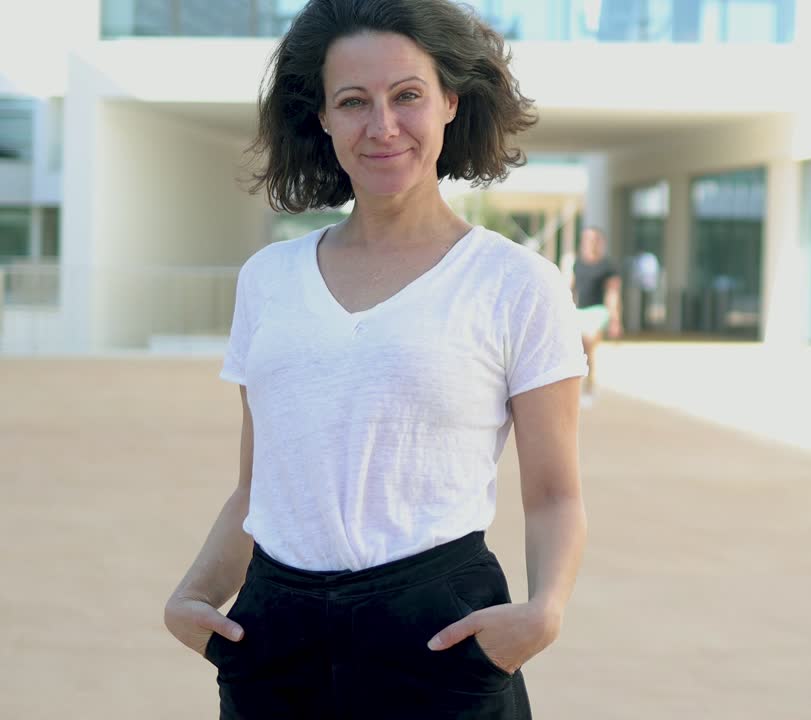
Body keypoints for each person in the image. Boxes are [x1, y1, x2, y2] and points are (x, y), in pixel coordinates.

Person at [161, 2, 588, 718]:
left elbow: (554, 494)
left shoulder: (517, 285)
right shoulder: (268, 280)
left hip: (439, 637)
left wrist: (543, 613)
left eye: (408, 96)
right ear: (322, 118)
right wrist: (193, 594)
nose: (382, 126)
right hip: (276, 638)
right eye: (353, 101)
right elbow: (255, 486)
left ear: (451, 101)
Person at [569, 227, 621, 406]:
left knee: (589, 343)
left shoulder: (608, 266)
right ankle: (583, 384)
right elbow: (570, 290)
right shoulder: (577, 264)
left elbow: (613, 293)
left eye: (593, 239)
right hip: (579, 311)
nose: (590, 242)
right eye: (586, 239)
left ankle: (589, 385)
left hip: (598, 311)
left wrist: (614, 319)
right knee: (580, 349)